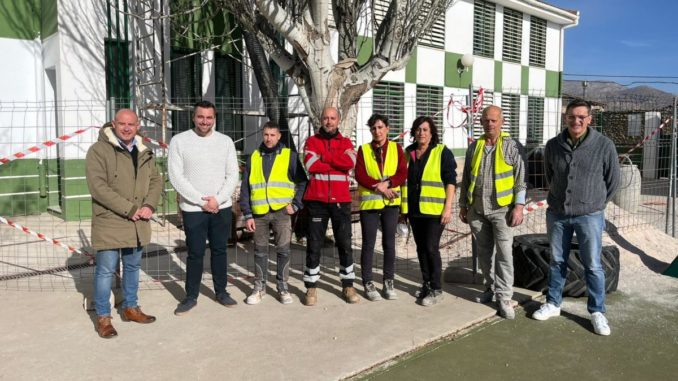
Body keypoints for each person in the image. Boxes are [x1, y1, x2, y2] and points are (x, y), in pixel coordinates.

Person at [532, 99, 620, 336]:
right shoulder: (553, 145)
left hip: (590, 215)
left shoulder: (604, 145)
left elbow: (613, 182)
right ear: (566, 118)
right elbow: (551, 176)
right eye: (572, 116)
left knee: (592, 264)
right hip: (558, 214)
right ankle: (553, 303)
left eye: (582, 116)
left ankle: (597, 311)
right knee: (557, 261)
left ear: (590, 119)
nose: (576, 120)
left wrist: (595, 203)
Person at [85, 109, 162, 338]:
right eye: (122, 124)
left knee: (132, 267)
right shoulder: (99, 150)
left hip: (137, 221)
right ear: (113, 124)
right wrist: (130, 209)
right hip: (111, 220)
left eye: (131, 124)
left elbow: (156, 180)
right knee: (105, 270)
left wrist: (149, 205)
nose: (127, 128)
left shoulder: (144, 150)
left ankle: (130, 307)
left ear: (138, 125)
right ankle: (103, 317)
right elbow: (98, 187)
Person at [168, 100, 240, 315]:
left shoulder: (225, 142)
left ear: (214, 118)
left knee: (219, 251)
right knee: (195, 253)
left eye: (209, 117)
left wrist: (217, 200)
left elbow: (233, 174)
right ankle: (191, 296)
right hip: (193, 209)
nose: (205, 121)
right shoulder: (179, 141)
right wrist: (201, 201)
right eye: (201, 117)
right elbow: (176, 176)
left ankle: (221, 292)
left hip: (221, 207)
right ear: (193, 117)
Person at [458, 105, 526, 319]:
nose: (490, 124)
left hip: (502, 210)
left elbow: (521, 180)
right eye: (486, 120)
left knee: (504, 254)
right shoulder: (475, 147)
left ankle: (505, 297)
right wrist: (463, 205)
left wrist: (519, 206)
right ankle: (490, 288)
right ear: (480, 122)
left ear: (502, 122)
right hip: (477, 209)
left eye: (494, 120)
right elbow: (467, 178)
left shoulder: (511, 147)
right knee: (485, 254)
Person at [239, 121, 307, 305]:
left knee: (283, 251)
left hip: (281, 212)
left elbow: (302, 182)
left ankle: (282, 287)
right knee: (260, 252)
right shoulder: (254, 157)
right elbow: (245, 187)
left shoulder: (289, 156)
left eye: (272, 135)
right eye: (266, 135)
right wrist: (247, 214)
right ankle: (259, 288)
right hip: (259, 213)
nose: (269, 139)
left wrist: (296, 204)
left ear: (279, 136)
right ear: (263, 135)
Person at [302, 107, 359, 305]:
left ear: (338, 120)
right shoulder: (311, 141)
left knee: (344, 243)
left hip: (340, 202)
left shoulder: (346, 142)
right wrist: (336, 161)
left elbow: (350, 162)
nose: (328, 121)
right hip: (317, 201)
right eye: (325, 118)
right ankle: (311, 288)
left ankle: (348, 285)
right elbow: (310, 165)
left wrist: (324, 157)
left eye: (332, 118)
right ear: (321, 119)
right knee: (314, 244)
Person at [403, 116, 456, 306]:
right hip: (414, 210)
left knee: (431, 247)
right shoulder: (408, 153)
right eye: (418, 129)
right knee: (421, 248)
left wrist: (448, 207)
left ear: (432, 132)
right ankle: (426, 283)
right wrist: (403, 209)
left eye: (425, 129)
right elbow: (403, 181)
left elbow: (450, 181)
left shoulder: (442, 152)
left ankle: (436, 288)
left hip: (435, 210)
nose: (421, 133)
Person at [355, 114, 408, 301]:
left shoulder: (397, 149)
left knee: (389, 244)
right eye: (373, 128)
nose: (377, 131)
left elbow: (402, 172)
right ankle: (368, 282)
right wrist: (379, 187)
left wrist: (388, 183)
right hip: (370, 203)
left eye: (380, 127)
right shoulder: (363, 150)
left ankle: (388, 281)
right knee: (368, 244)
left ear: (387, 128)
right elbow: (360, 174)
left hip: (391, 204)